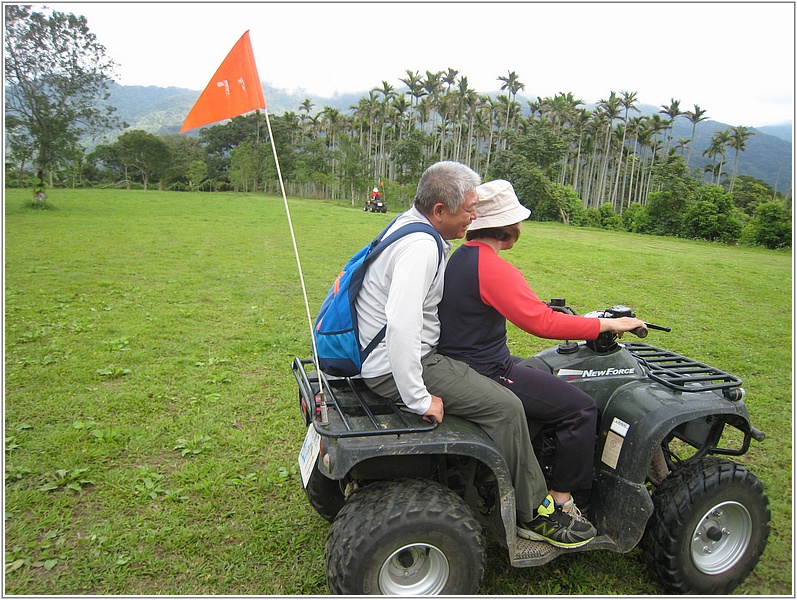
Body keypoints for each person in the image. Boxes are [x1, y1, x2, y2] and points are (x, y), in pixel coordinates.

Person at [437, 179, 647, 548]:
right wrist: (610, 323)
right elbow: (542, 324)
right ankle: (559, 503)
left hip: (464, 361)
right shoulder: (492, 266)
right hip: (486, 370)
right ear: (510, 227)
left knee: (542, 373)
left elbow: (514, 308)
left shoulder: (463, 256)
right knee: (580, 408)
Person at [354, 161, 550, 541]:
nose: (475, 217)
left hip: (389, 356)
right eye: (468, 210)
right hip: (399, 365)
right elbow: (401, 324)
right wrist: (418, 398)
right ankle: (535, 512)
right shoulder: (421, 247)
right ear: (439, 211)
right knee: (508, 408)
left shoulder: (409, 225)